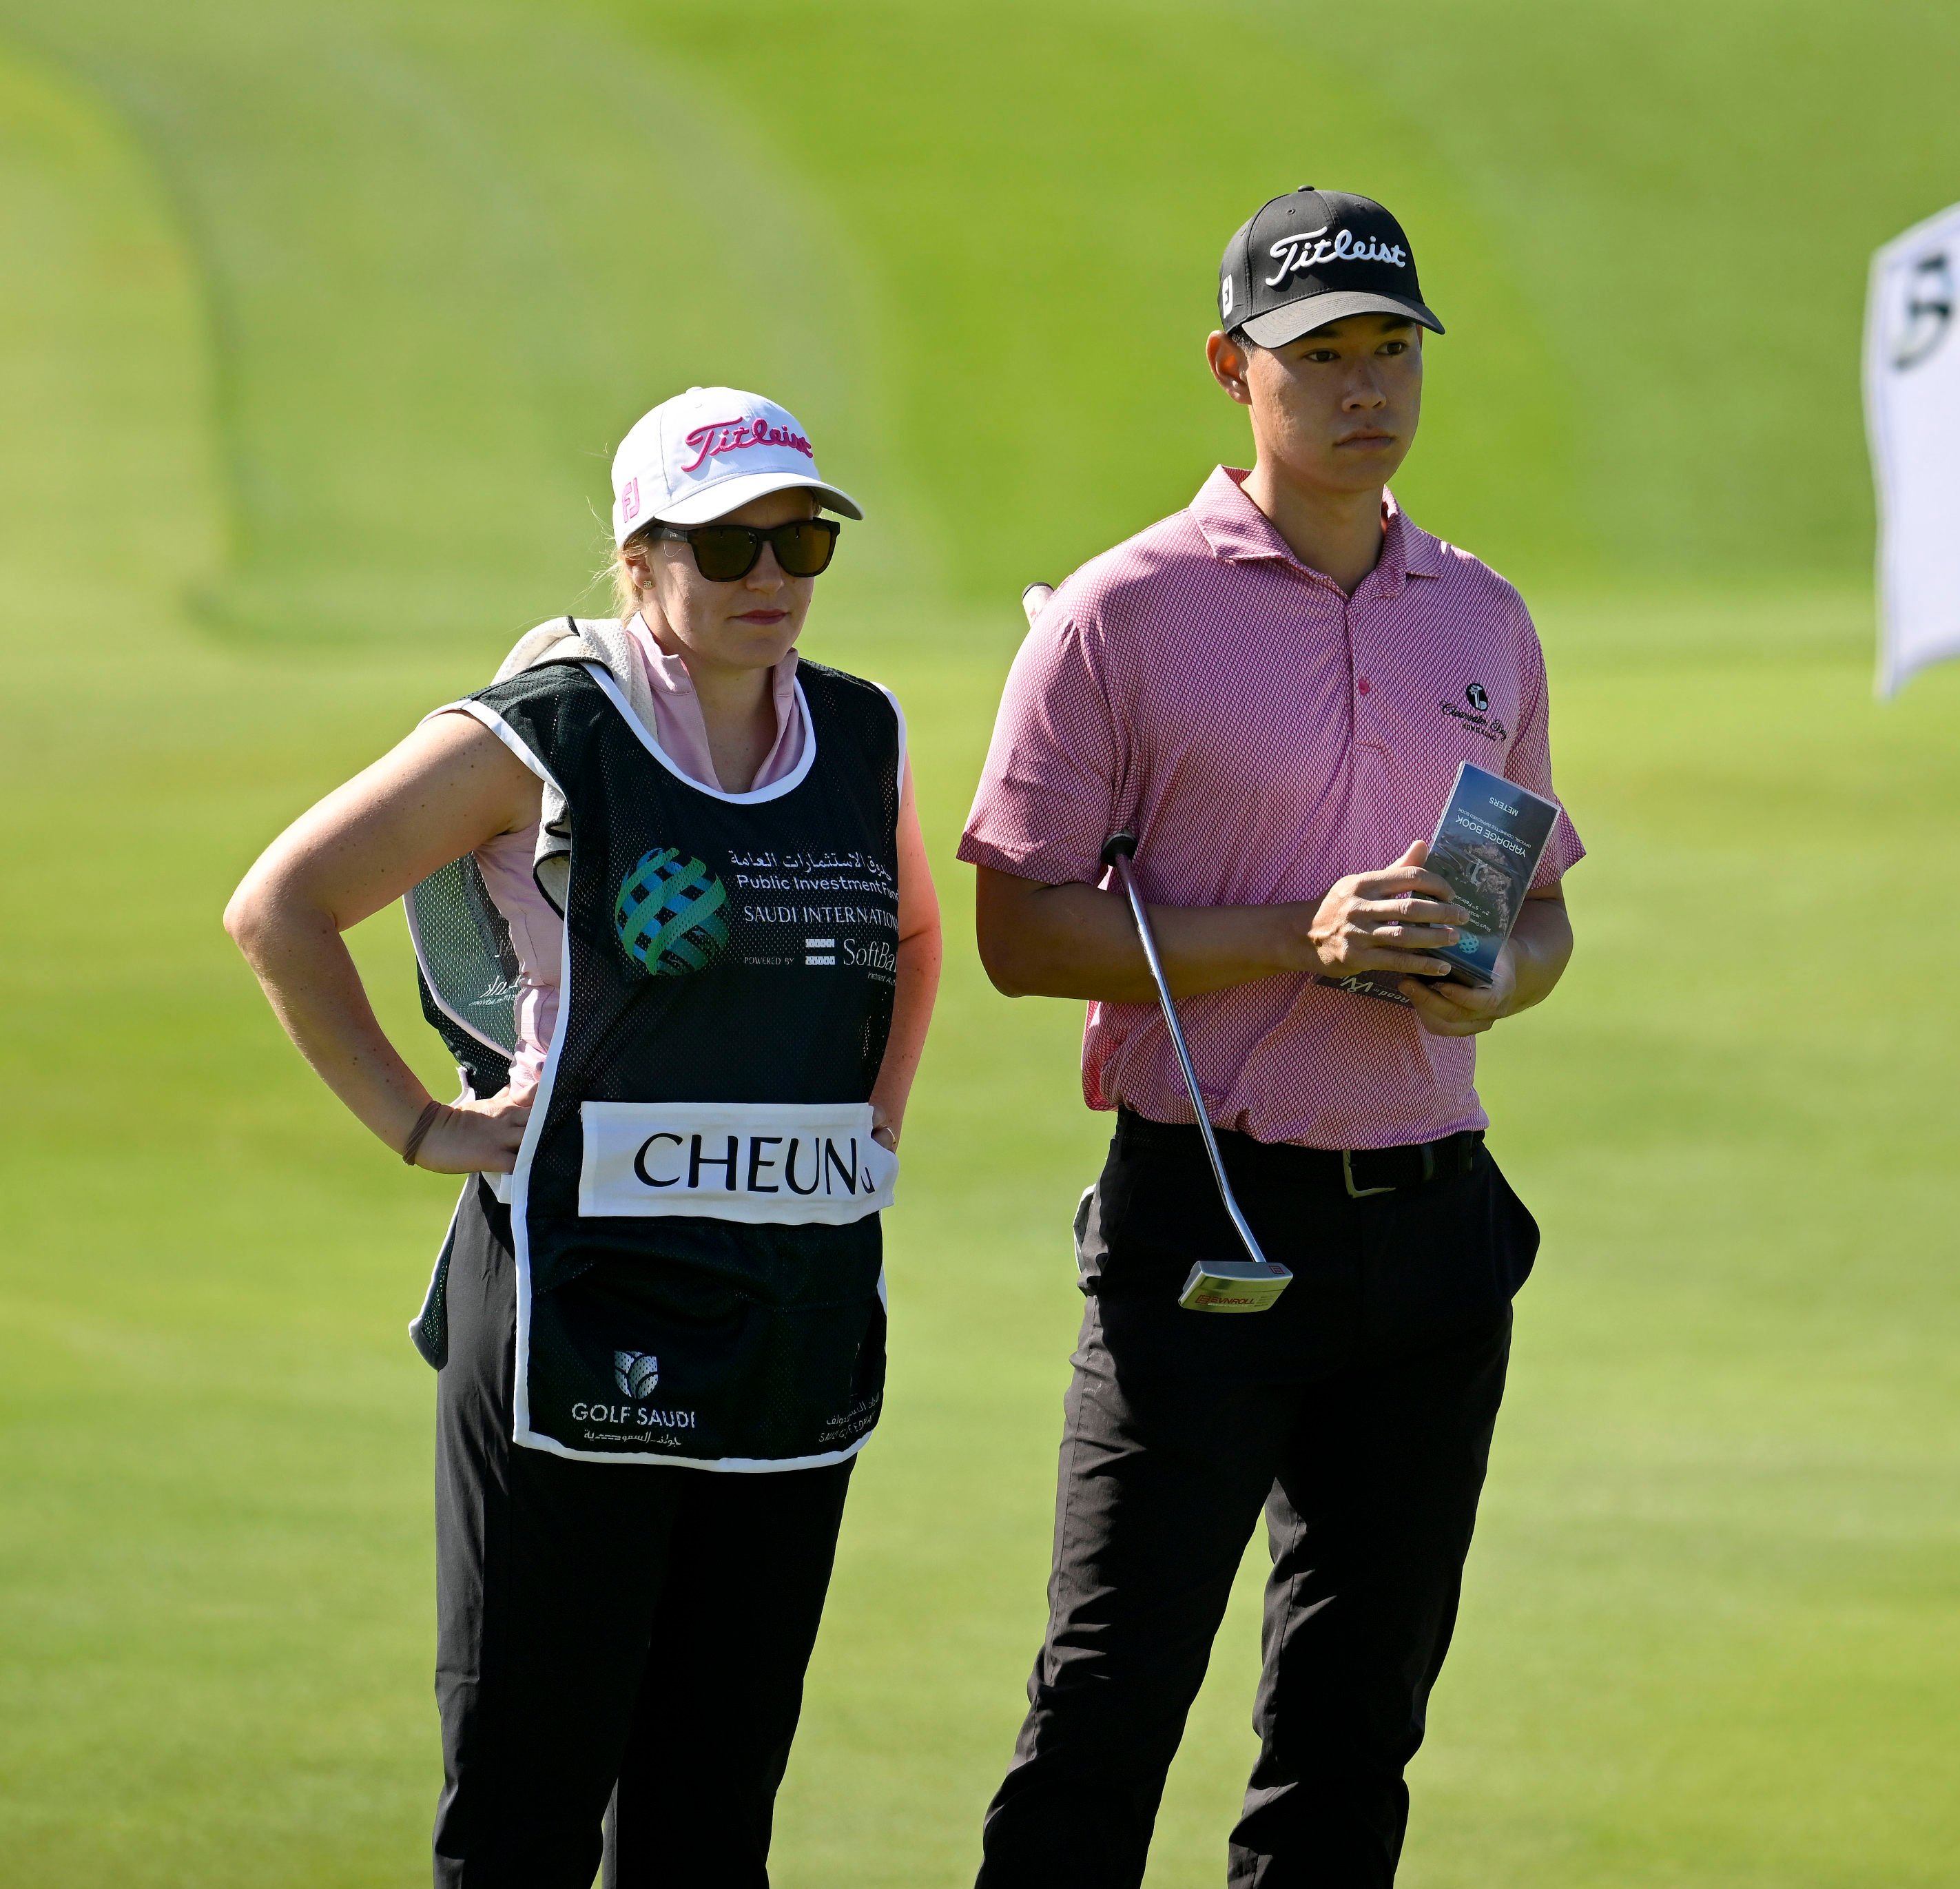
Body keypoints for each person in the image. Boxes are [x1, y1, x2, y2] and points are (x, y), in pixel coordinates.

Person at [223, 386, 940, 1886]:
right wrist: (418, 1125)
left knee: (711, 1811)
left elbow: (914, 937)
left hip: (790, 1318)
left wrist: (862, 1133)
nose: (771, 576)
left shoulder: (859, 732)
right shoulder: (546, 731)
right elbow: (282, 906)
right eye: (725, 543)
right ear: (638, 557)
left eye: (801, 537)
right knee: (528, 1803)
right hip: (571, 1309)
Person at [960, 187, 1582, 1886]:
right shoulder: (1120, 615)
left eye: (1391, 348)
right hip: (1204, 1229)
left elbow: (1538, 915)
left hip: (1431, 1232)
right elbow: (1019, 934)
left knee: (1352, 1723)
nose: (1364, 386)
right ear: (1235, 368)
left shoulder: (1482, 617)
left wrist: (1491, 976)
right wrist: (1295, 937)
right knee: (1108, 1702)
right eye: (1321, 355)